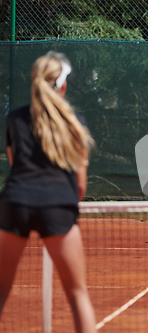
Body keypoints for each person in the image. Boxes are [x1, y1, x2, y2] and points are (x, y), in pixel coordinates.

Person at [0, 52, 97, 333]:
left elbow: (16, 166)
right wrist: (62, 207)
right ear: (63, 85)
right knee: (78, 294)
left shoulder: (14, 119)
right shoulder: (76, 122)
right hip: (57, 205)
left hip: (14, 203)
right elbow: (80, 185)